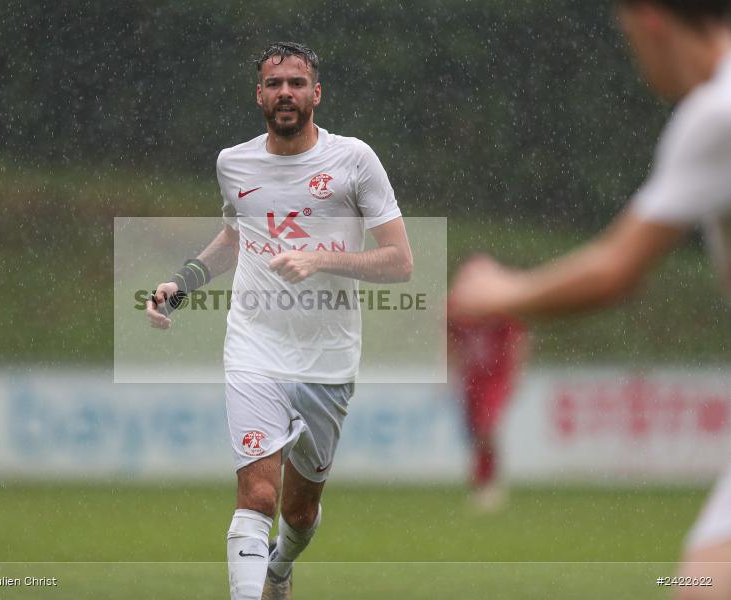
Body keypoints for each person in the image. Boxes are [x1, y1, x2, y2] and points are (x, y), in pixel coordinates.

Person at [448, 0, 731, 597]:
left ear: (651, 21)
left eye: (628, 37)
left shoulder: (715, 115)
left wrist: (505, 290)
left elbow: (615, 268)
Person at [146, 42, 413, 600]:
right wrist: (184, 283)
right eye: (274, 84)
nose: (285, 93)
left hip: (329, 358)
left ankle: (280, 567)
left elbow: (400, 261)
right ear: (259, 95)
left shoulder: (354, 160)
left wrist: (322, 258)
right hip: (254, 347)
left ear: (316, 94)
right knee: (258, 497)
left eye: (296, 83)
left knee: (299, 510)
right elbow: (234, 236)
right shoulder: (233, 163)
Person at [448, 314, 528, 512]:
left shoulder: (500, 309)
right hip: (471, 377)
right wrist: (451, 371)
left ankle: (488, 483)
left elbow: (519, 339)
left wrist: (517, 372)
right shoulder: (459, 310)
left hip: (495, 378)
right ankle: (482, 479)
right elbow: (451, 340)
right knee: (475, 432)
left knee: (487, 427)